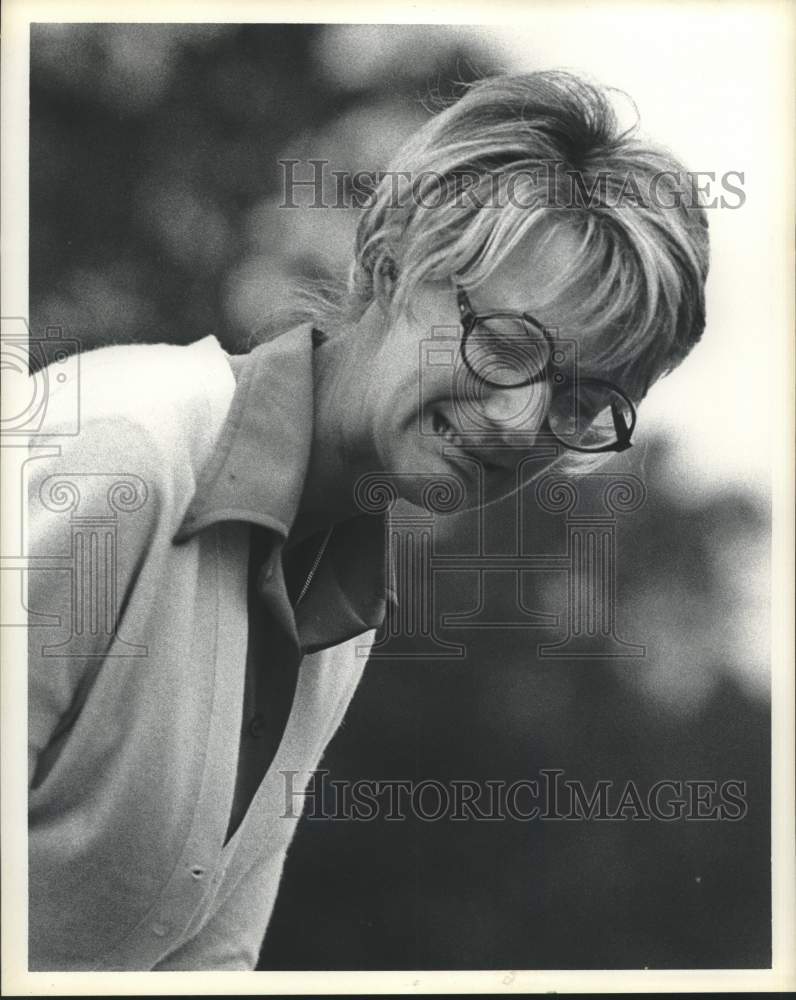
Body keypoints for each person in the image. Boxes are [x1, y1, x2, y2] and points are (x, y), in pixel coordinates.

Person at [26, 70, 709, 970]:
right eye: (503, 344)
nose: (519, 422)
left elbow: (203, 958)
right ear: (390, 256)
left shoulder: (339, 607)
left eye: (582, 401)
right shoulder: (121, 448)